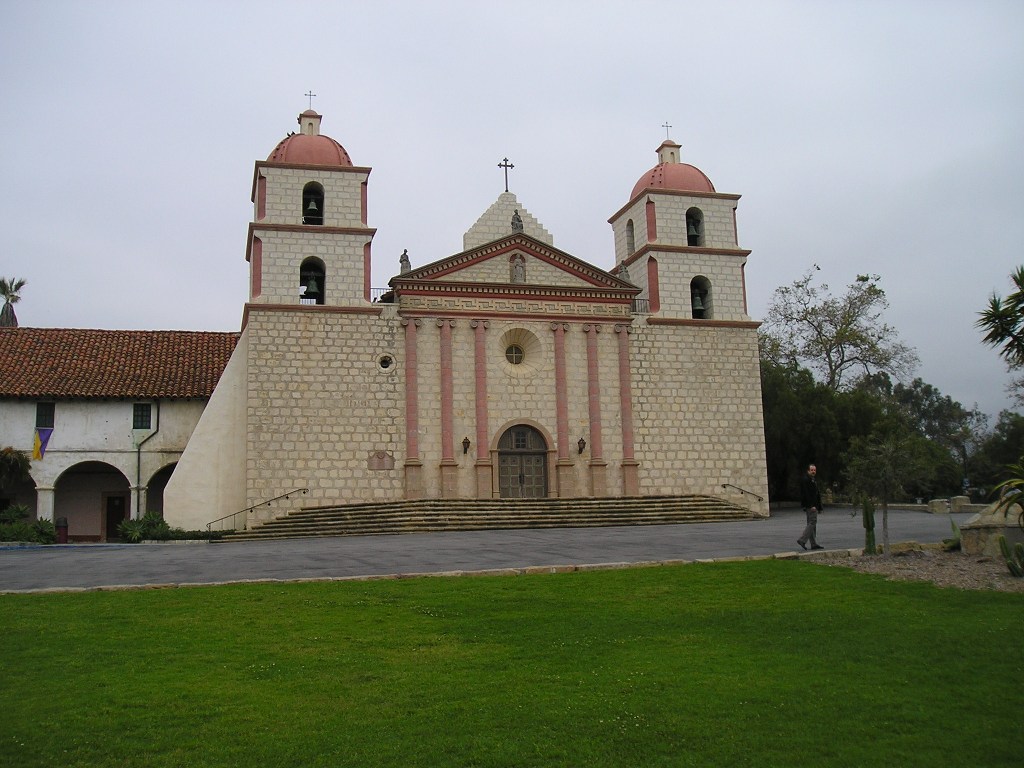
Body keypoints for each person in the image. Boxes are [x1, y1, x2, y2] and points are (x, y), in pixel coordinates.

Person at [797, 464, 825, 550]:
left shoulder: (812, 480)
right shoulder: (806, 480)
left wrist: (819, 507)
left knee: (811, 524)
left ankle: (813, 544)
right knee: (812, 522)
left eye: (814, 470)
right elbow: (807, 494)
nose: (813, 471)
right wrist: (811, 505)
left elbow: (816, 494)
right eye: (812, 470)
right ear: (808, 471)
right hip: (811, 506)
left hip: (813, 505)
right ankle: (802, 540)